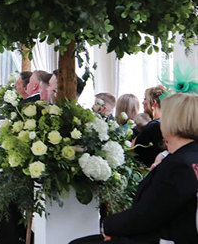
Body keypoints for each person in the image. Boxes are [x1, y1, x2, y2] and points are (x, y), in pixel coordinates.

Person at [69, 92, 198, 244]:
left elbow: (149, 215)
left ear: (173, 121)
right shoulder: (187, 155)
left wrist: (108, 227)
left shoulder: (179, 165)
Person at [133, 85, 168, 168]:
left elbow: (135, 151)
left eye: (145, 99)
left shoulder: (153, 126)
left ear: (153, 103)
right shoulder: (167, 123)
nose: (142, 102)